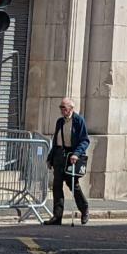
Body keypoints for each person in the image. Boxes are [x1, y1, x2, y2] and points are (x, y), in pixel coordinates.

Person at [46, 96, 90, 225]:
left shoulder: (78, 121)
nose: (61, 110)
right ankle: (57, 216)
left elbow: (85, 140)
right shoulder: (60, 121)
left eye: (64, 108)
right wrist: (50, 157)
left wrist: (76, 154)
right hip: (59, 155)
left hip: (71, 156)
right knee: (57, 186)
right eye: (60, 107)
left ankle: (84, 208)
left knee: (73, 185)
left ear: (71, 109)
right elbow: (56, 141)